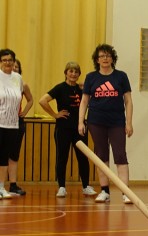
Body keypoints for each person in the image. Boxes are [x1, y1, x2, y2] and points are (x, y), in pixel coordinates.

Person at [78, 43, 133, 203]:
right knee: (101, 156)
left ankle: (126, 192)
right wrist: (80, 122)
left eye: (108, 55)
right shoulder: (91, 77)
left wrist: (129, 122)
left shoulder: (121, 76)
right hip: (96, 122)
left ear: (112, 58)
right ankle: (105, 191)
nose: (105, 58)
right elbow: (84, 101)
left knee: (120, 155)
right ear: (97, 59)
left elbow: (128, 101)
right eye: (102, 56)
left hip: (117, 122)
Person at [39, 62, 96, 198]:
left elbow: (93, 98)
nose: (73, 74)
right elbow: (42, 101)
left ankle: (86, 186)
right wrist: (55, 114)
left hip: (80, 128)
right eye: (71, 71)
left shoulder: (82, 89)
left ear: (79, 74)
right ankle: (62, 187)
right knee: (62, 157)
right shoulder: (60, 88)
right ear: (66, 73)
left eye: (76, 72)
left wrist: (87, 87)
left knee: (83, 157)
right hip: (63, 128)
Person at [6, 58, 33, 196]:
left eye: (16, 66)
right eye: (12, 66)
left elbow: (30, 100)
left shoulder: (22, 84)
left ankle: (13, 184)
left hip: (17, 122)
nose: (13, 68)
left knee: (13, 154)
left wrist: (24, 112)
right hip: (2, 121)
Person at [0, 49, 23, 199]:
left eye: (10, 60)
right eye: (4, 60)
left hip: (13, 125)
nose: (7, 62)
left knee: (4, 157)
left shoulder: (18, 78)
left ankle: (1, 187)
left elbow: (20, 97)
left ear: (14, 61)